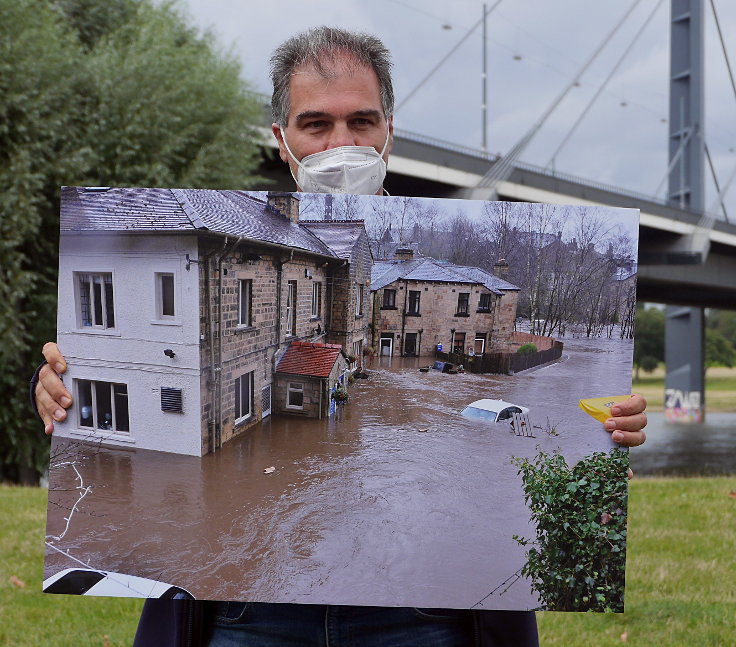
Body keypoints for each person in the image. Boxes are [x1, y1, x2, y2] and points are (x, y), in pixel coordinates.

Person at [33, 26, 647, 647]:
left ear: (389, 132)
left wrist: (611, 427)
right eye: (316, 126)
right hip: (245, 617)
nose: (342, 145)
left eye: (361, 122)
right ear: (282, 141)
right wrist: (63, 386)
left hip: (426, 619)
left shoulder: (379, 249)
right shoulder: (228, 216)